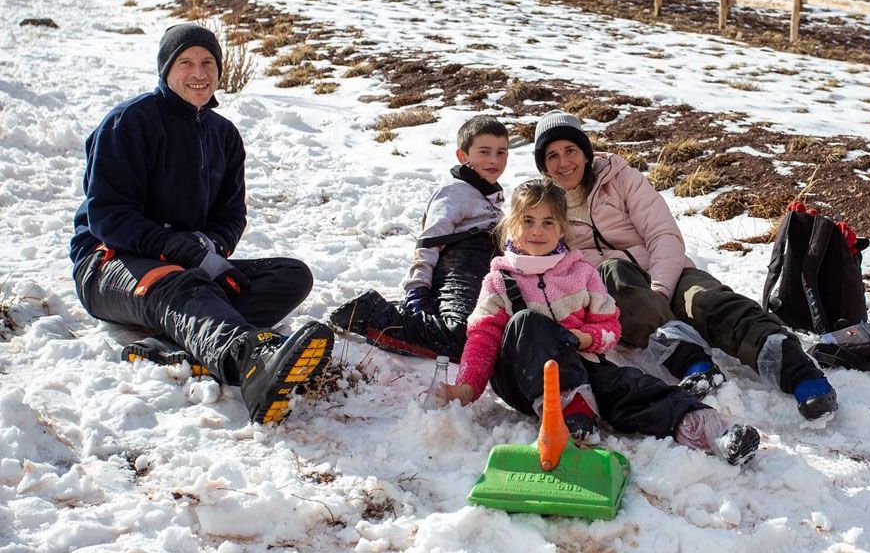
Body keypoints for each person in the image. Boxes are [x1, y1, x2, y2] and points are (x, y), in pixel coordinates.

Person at [70, 23, 334, 425]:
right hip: (110, 264)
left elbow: (231, 217)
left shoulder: (224, 135)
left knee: (290, 275)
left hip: (187, 264)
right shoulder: (129, 122)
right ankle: (250, 360)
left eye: (208, 62)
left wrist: (210, 247)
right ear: (166, 69)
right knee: (181, 285)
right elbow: (108, 215)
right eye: (186, 62)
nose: (199, 73)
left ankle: (171, 337)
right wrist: (176, 247)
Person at [533, 110, 838, 421]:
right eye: (552, 155)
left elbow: (663, 234)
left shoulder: (621, 179)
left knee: (709, 300)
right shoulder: (544, 208)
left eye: (570, 150)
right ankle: (694, 365)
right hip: (620, 294)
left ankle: (797, 369)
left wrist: (661, 289)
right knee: (612, 272)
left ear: (585, 152)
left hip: (665, 271)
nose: (563, 162)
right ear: (543, 165)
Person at [438, 179, 760, 466]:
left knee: (629, 384)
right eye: (528, 221)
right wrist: (468, 386)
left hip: (579, 366)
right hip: (523, 378)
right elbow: (483, 337)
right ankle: (572, 412)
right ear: (511, 226)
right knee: (527, 322)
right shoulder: (500, 279)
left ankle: (708, 429)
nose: (537, 230)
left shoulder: (582, 274)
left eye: (548, 222)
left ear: (562, 229)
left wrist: (586, 339)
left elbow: (610, 327)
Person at [329, 116, 508, 360]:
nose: (494, 160)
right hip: (458, 271)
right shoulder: (454, 193)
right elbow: (428, 244)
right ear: (462, 156)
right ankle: (366, 314)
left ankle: (415, 315)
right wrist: (417, 292)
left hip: (482, 277)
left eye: (501, 152)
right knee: (461, 338)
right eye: (484, 151)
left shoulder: (491, 199)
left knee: (490, 339)